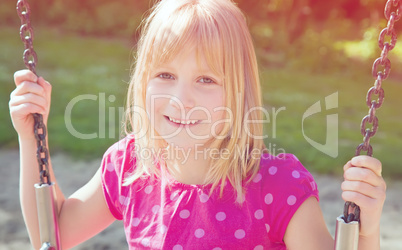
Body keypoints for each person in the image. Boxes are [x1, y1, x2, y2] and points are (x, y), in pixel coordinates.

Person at [9, 0, 386, 249]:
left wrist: (366, 230)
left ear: (238, 94)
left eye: (206, 80)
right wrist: (31, 139)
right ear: (142, 82)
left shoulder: (277, 186)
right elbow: (50, 234)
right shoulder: (131, 166)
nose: (181, 99)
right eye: (165, 75)